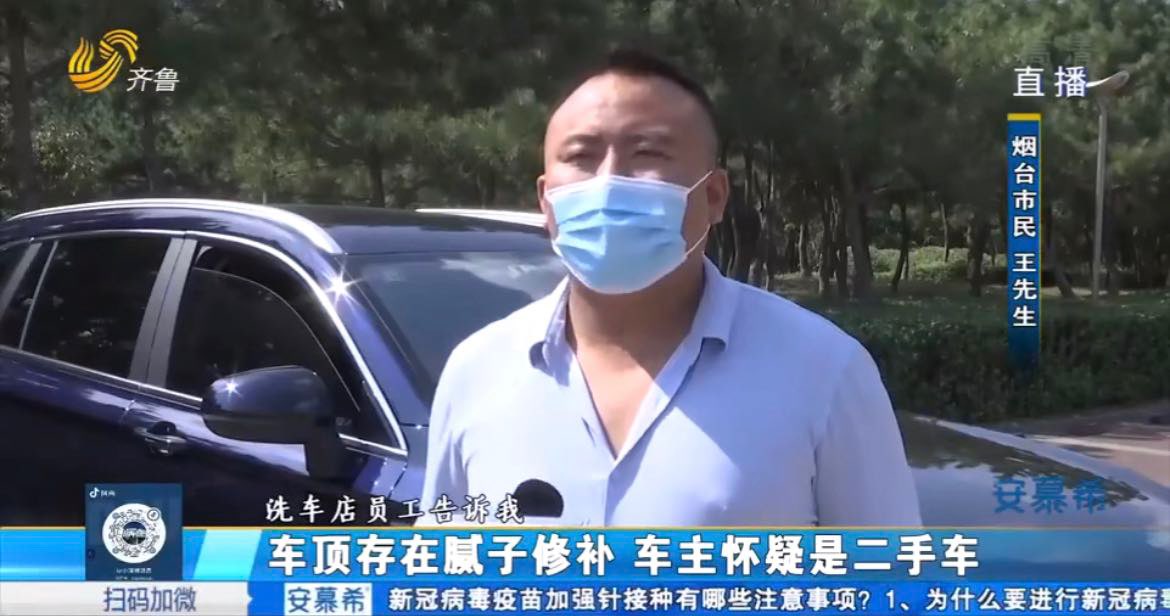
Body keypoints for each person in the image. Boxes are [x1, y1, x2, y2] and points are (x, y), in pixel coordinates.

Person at [420, 48, 920, 526]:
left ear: (714, 195)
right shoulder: (478, 371)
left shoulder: (823, 371)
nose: (609, 181)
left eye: (647, 153)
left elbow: (888, 573)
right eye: (582, 156)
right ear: (545, 200)